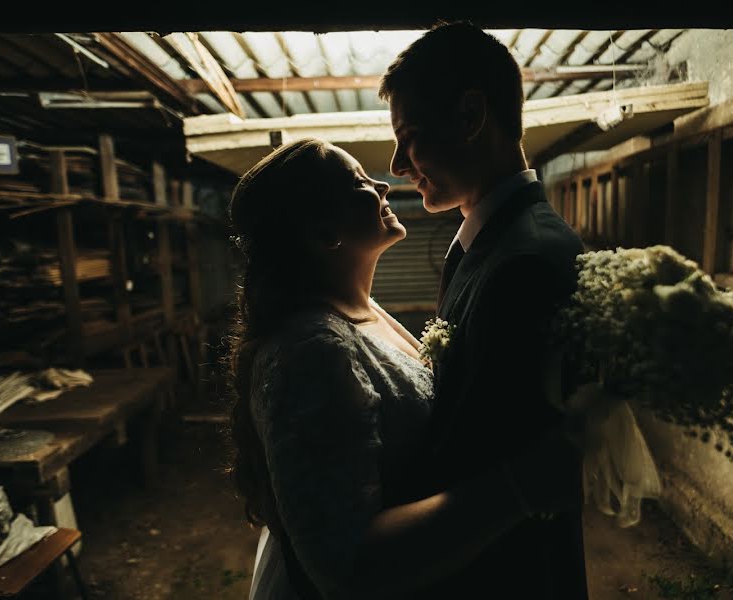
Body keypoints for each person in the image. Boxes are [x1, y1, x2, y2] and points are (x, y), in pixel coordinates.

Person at [227, 138, 578, 599]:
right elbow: (347, 566)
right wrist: (520, 487)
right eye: (359, 182)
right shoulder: (310, 351)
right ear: (324, 231)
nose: (383, 184)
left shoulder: (359, 309)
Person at [378, 21, 588, 598]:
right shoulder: (493, 242)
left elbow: (479, 468)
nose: (397, 163)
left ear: (471, 116)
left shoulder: (526, 260)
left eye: (410, 135)